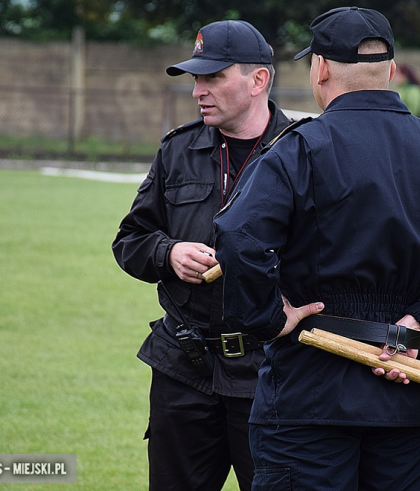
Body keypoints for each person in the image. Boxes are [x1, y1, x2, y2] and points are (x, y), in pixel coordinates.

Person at [213, 7, 420, 491]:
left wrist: (267, 318)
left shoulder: (300, 149)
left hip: (309, 396)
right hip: (408, 388)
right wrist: (419, 324)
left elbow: (240, 238)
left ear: (321, 68)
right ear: (390, 71)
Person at [111, 20, 293, 491]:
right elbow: (130, 239)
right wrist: (168, 253)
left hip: (270, 373)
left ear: (259, 80)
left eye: (213, 77)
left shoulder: (303, 152)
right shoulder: (177, 149)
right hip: (183, 368)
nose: (198, 91)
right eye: (195, 78)